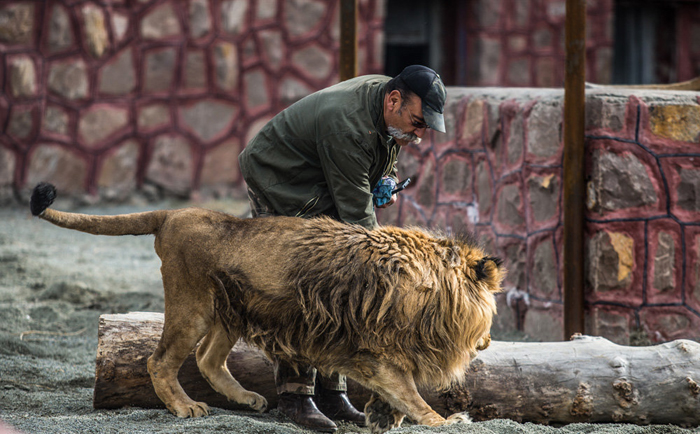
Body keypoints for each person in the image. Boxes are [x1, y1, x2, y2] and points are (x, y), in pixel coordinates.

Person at [238, 65, 447, 432]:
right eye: (417, 123)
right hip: (280, 177)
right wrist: (392, 266)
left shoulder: (388, 105)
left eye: (424, 127)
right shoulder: (347, 125)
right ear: (394, 100)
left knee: (340, 287)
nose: (418, 134)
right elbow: (358, 223)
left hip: (319, 177)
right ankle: (295, 396)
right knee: (301, 283)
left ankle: (332, 394)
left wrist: (385, 179)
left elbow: (382, 154)